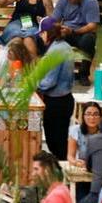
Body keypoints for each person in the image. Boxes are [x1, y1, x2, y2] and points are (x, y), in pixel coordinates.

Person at [33, 17, 76, 157]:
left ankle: (62, 173)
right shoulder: (64, 46)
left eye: (41, 33)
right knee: (59, 142)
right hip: (65, 100)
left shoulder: (55, 51)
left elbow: (49, 82)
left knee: (56, 144)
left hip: (56, 104)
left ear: (47, 33)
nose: (40, 36)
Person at [50, 0, 101, 83]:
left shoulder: (91, 2)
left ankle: (83, 74)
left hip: (83, 33)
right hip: (67, 32)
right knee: (53, 37)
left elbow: (92, 26)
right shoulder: (62, 1)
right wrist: (58, 28)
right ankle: (57, 73)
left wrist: (73, 31)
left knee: (89, 39)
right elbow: (55, 21)